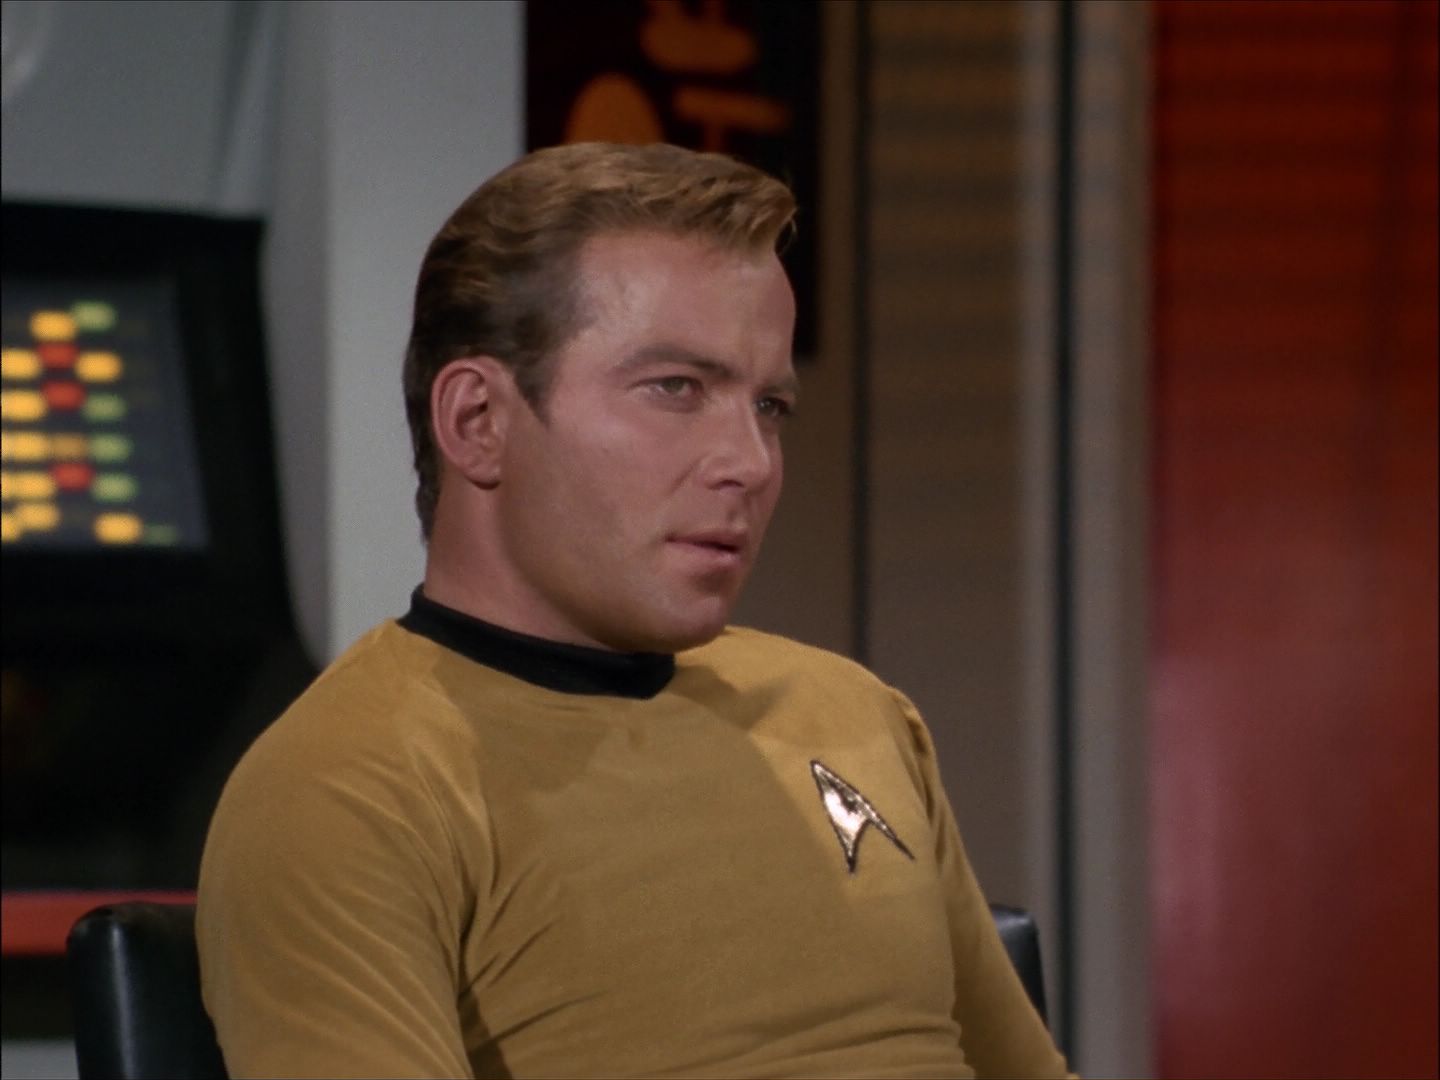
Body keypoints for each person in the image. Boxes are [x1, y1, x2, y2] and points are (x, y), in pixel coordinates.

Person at [197, 142, 1072, 1079]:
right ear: (477, 422)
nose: (751, 463)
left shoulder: (855, 711)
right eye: (676, 390)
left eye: (769, 406)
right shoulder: (349, 791)